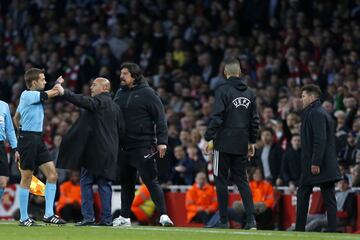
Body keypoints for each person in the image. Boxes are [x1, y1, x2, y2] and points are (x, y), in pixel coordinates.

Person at [55, 77, 125, 226]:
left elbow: (83, 101)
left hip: (94, 152)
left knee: (86, 182)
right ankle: (106, 219)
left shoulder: (99, 102)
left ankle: (88, 217)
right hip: (110, 153)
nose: (91, 87)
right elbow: (121, 130)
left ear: (105, 88)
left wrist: (63, 92)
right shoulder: (116, 107)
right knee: (105, 185)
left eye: (94, 85)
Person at [113, 62, 173, 227]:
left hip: (142, 145)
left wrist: (162, 142)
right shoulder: (119, 93)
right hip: (123, 146)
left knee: (150, 180)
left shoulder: (148, 93)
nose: (121, 76)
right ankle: (125, 218)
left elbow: (160, 117)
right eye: (121, 73)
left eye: (125, 73)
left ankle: (164, 216)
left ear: (134, 76)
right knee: (126, 183)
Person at [203, 58, 259, 229]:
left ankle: (224, 220)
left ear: (225, 73)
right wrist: (252, 141)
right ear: (240, 73)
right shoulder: (250, 93)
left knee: (221, 180)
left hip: (223, 142)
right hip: (242, 142)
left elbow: (218, 115)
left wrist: (208, 136)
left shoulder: (223, 90)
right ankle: (251, 220)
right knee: (242, 180)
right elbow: (254, 120)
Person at [13, 68, 65, 226]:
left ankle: (49, 214)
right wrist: (57, 85)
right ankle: (23, 218)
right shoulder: (27, 94)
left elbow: (17, 118)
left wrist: (19, 131)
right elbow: (51, 94)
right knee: (27, 177)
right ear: (34, 82)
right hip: (28, 139)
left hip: (37, 138)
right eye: (42, 79)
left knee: (53, 175)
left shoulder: (30, 98)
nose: (44, 81)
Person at [295, 84, 341, 232]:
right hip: (325, 163)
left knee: (303, 193)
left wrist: (315, 162)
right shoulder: (320, 112)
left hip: (316, 164)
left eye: (303, 96)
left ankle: (300, 228)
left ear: (312, 96)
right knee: (328, 197)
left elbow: (319, 139)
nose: (301, 99)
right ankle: (332, 229)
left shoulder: (315, 113)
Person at [0, 100, 19, 200]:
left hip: (0, 145)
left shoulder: (4, 106)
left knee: (3, 181)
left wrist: (15, 148)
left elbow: (10, 129)